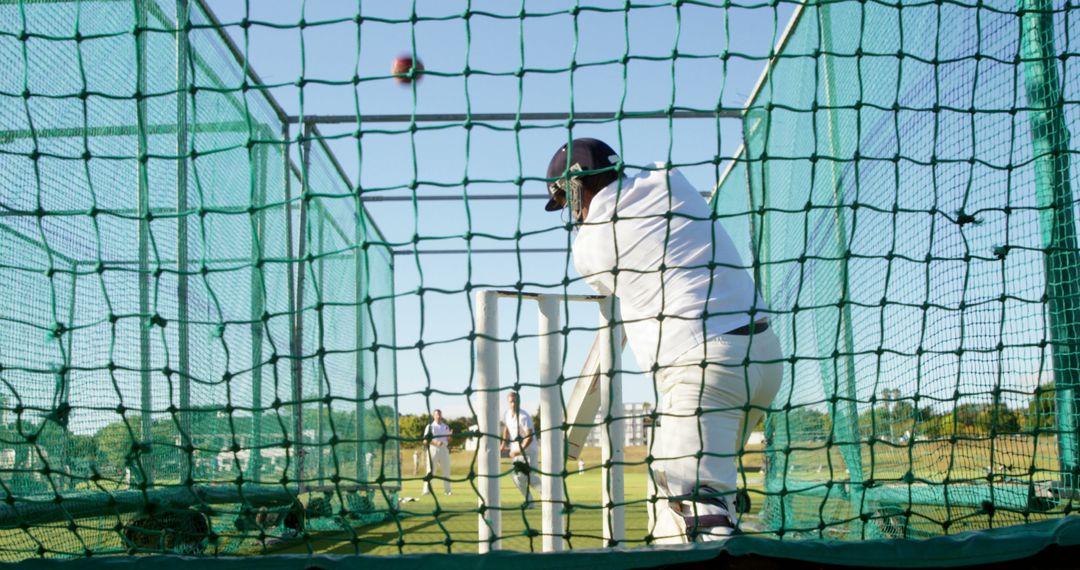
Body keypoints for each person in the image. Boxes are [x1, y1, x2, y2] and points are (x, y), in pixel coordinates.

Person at [544, 138, 783, 543]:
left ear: (577, 186)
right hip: (764, 360)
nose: (573, 213)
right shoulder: (670, 179)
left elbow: (612, 288)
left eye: (568, 200)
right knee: (673, 506)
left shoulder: (590, 246)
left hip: (705, 371)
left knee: (695, 519)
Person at [501, 392, 540, 507]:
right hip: (516, 452)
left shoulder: (524, 417)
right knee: (516, 478)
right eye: (511, 402)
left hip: (529, 451)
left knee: (532, 478)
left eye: (515, 401)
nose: (513, 404)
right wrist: (503, 444)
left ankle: (551, 499)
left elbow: (529, 438)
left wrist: (517, 451)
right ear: (508, 402)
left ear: (519, 401)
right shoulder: (507, 414)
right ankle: (530, 501)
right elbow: (506, 429)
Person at [421, 409, 453, 496]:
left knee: (446, 470)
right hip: (433, 449)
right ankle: (426, 490)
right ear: (433, 416)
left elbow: (448, 440)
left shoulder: (445, 427)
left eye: (439, 414)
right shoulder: (430, 427)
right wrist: (435, 443)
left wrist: (450, 436)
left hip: (444, 449)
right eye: (436, 415)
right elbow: (425, 441)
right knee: (430, 471)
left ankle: (448, 491)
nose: (438, 416)